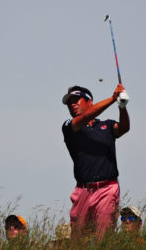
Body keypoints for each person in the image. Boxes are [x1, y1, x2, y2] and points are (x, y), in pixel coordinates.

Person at [61, 84, 130, 239]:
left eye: (76, 100)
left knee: (103, 240)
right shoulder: (69, 127)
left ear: (90, 102)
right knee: (78, 242)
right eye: (69, 102)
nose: (72, 104)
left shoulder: (107, 125)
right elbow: (85, 117)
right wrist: (113, 98)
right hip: (82, 191)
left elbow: (124, 128)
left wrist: (122, 106)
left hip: (107, 188)